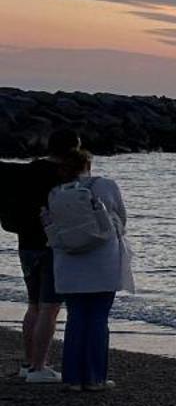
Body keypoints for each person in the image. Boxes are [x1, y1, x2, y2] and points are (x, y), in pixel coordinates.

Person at [45, 146, 135, 393]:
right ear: (88, 165)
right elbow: (121, 219)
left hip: (68, 263)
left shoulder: (55, 193)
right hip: (102, 262)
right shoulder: (106, 185)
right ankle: (94, 377)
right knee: (97, 319)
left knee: (76, 318)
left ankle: (72, 378)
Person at [1, 127, 83, 383]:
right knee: (50, 307)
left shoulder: (26, 171)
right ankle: (39, 366)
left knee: (34, 305)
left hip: (26, 243)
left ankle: (28, 363)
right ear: (72, 149)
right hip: (52, 246)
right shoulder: (63, 176)